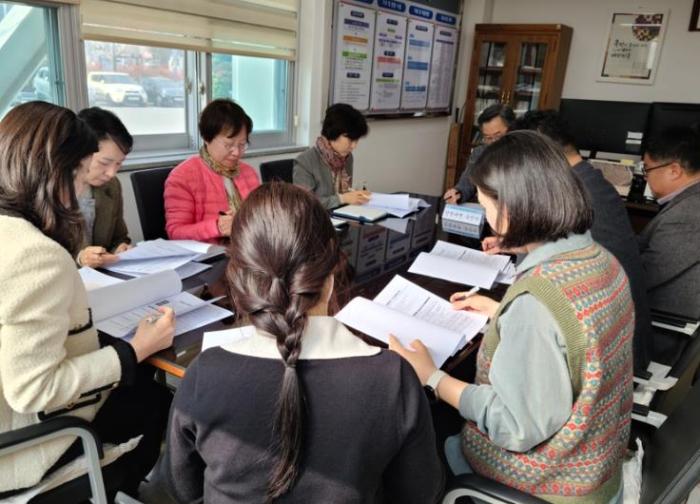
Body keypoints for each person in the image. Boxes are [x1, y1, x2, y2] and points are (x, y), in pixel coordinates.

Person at [161, 183, 443, 503]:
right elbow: (420, 493)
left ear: (238, 280)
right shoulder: (392, 378)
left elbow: (182, 489)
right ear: (332, 273)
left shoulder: (204, 373)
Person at [391, 131, 633, 503]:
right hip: (596, 463)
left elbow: (514, 427)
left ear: (512, 208)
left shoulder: (536, 305)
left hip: (545, 483)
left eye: (485, 205)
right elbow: (572, 338)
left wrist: (431, 377)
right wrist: (500, 310)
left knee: (409, 441)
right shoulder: (602, 260)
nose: (487, 219)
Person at [0, 102, 176, 499]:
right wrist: (134, 350)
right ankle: (112, 488)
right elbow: (34, 390)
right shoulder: (35, 255)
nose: (83, 190)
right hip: (21, 445)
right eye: (82, 175)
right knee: (154, 401)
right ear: (56, 174)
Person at [512, 109, 652, 374]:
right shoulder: (590, 180)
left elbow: (536, 275)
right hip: (617, 336)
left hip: (607, 358)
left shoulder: (572, 197)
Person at [164, 99, 260, 243]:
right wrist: (217, 227)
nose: (236, 152)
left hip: (250, 249)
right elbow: (176, 233)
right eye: (228, 145)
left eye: (242, 144)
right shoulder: (183, 176)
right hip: (211, 254)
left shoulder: (249, 173)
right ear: (207, 138)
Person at [639, 125, 700, 331]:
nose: (645, 177)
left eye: (647, 169)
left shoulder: (688, 213)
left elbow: (645, 275)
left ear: (674, 171)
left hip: (666, 327)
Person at [74, 106, 133, 268]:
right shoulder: (47, 189)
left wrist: (120, 249)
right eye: (104, 162)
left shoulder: (111, 186)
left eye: (119, 164)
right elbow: (39, 252)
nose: (112, 173)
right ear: (79, 152)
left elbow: (119, 237)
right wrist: (80, 258)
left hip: (102, 277)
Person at [294, 103, 371, 209]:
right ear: (333, 133)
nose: (354, 146)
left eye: (356, 140)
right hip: (316, 218)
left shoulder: (347, 157)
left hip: (341, 215)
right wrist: (342, 199)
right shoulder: (305, 161)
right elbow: (305, 204)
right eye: (350, 139)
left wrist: (356, 195)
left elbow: (345, 194)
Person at [443, 103, 514, 204]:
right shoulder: (480, 153)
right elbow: (468, 181)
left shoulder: (525, 156)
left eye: (498, 136)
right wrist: (458, 193)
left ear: (512, 130)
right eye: (488, 138)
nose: (493, 142)